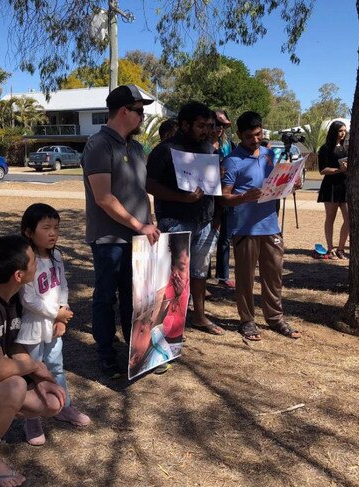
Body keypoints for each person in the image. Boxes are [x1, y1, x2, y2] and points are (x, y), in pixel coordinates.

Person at [0, 235, 67, 484]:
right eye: (34, 262)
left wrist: (40, 378)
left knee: (53, 403)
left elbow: (13, 343)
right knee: (15, 385)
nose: (37, 265)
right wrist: (35, 366)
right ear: (18, 275)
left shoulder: (14, 296)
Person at [81, 84, 161, 379]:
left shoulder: (137, 148)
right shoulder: (98, 145)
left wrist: (149, 222)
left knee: (135, 299)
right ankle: (105, 353)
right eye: (140, 112)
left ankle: (135, 350)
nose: (143, 117)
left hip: (138, 239)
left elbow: (140, 194)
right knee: (105, 297)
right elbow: (103, 198)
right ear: (124, 111)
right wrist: (139, 224)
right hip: (109, 240)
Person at [221, 111, 302, 341]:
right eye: (249, 137)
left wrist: (291, 184)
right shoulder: (231, 161)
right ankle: (247, 321)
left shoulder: (269, 154)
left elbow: (276, 183)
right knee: (245, 278)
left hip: (270, 226)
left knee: (274, 276)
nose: (255, 140)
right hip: (245, 229)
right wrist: (243, 197)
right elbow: (223, 197)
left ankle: (276, 318)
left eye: (258, 134)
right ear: (239, 135)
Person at [146, 101, 224, 335]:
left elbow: (212, 187)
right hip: (176, 220)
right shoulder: (165, 150)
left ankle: (199, 317)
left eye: (210, 126)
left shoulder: (208, 149)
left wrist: (217, 215)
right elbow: (150, 185)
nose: (207, 131)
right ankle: (171, 326)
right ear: (184, 124)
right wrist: (183, 198)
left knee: (200, 273)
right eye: (201, 125)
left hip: (206, 221)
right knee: (175, 275)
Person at [16, 203, 91, 445]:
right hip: (33, 328)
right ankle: (32, 418)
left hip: (54, 326)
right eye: (46, 227)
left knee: (56, 368)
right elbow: (28, 299)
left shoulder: (57, 256)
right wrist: (55, 314)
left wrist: (64, 311)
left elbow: (62, 286)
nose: (52, 233)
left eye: (56, 228)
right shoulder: (26, 260)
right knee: (33, 372)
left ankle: (63, 406)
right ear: (28, 232)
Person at [317, 120, 349, 260]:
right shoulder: (325, 148)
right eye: (340, 130)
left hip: (345, 186)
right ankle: (330, 248)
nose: (343, 133)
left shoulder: (346, 148)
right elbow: (322, 170)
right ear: (334, 131)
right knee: (331, 218)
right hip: (331, 186)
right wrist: (339, 170)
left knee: (349, 219)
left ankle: (341, 248)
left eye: (344, 130)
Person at [211, 109, 235, 289]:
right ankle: (202, 275)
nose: (220, 128)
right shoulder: (201, 145)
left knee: (225, 236)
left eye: (224, 125)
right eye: (217, 124)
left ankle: (223, 274)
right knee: (207, 236)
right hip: (206, 198)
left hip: (225, 196)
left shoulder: (228, 145)